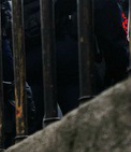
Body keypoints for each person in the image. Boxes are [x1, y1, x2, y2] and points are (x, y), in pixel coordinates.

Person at [24, 0, 130, 133]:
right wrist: (119, 70)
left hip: (29, 51)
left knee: (30, 128)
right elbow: (105, 15)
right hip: (70, 48)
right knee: (88, 126)